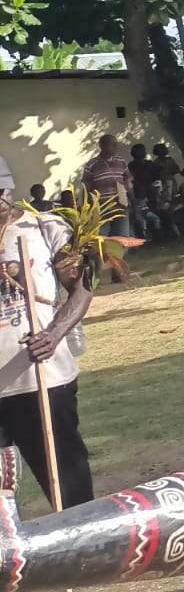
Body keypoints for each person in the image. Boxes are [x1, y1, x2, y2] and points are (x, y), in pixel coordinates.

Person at [0, 200, 95, 508]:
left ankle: (86, 549)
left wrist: (54, 334)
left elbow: (83, 285)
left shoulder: (45, 228)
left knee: (68, 489)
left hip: (41, 381)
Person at [82, 135, 132, 237]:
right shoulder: (91, 164)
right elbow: (86, 188)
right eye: (112, 144)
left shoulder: (121, 162)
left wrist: (134, 202)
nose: (115, 146)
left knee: (121, 240)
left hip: (121, 207)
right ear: (102, 145)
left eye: (116, 144)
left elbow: (128, 183)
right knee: (102, 239)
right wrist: (88, 209)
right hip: (102, 209)